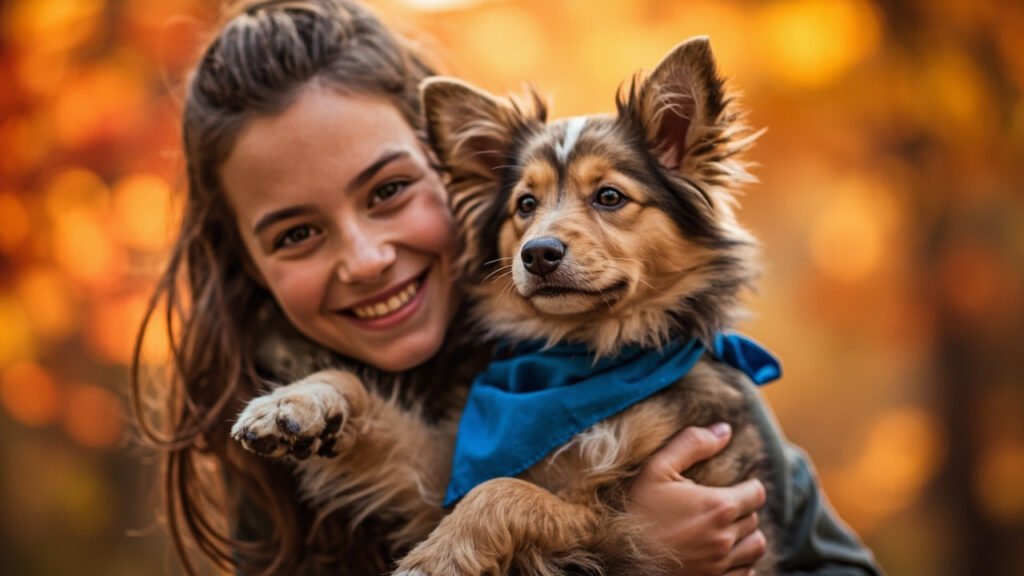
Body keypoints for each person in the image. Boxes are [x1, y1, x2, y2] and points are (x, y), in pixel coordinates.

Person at [131, 1, 883, 575]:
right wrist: (630, 553)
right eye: (525, 206)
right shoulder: (275, 451)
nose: (542, 239)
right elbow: (440, 487)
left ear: (438, 173)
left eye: (388, 189)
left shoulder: (704, 386)